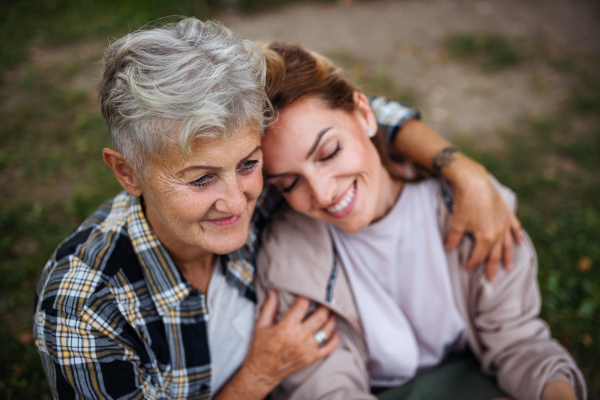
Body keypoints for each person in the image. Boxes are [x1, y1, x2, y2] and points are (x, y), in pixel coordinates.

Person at [33, 18, 520, 399]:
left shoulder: (276, 183)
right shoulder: (84, 309)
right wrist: (256, 377)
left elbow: (344, 114)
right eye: (200, 178)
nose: (235, 201)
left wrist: (461, 169)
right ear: (127, 173)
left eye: (249, 164)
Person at [255, 42, 587, 400]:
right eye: (289, 183)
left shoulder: (469, 205)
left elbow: (519, 341)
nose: (322, 194)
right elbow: (329, 390)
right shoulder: (288, 259)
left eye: (329, 152)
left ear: (365, 115)